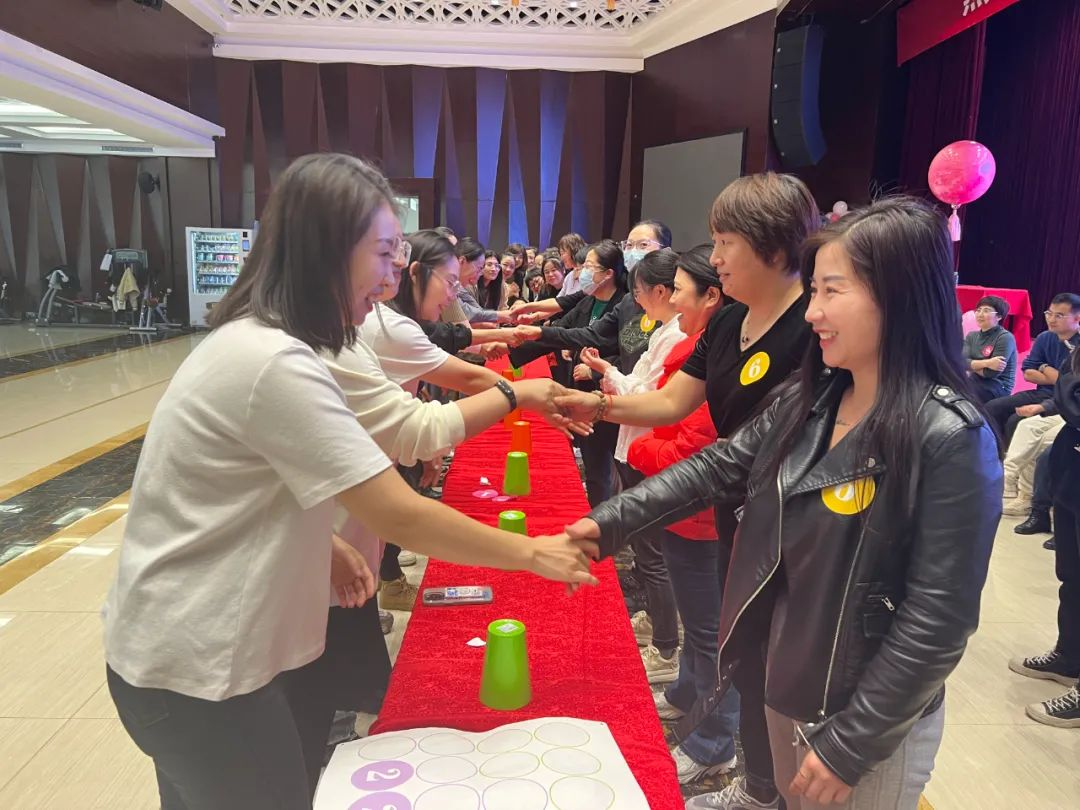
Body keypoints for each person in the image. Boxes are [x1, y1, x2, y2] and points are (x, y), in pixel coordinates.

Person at [102, 153, 596, 810]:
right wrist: (535, 553)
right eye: (384, 254)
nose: (392, 277)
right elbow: (399, 512)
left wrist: (324, 540)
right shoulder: (275, 359)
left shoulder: (267, 339)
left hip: (182, 657)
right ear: (327, 249)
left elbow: (248, 487)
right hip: (200, 669)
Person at [566, 197, 1001, 810]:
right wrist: (604, 524)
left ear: (898, 297)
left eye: (832, 291)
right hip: (787, 677)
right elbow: (718, 468)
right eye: (814, 290)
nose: (814, 311)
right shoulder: (812, 400)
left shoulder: (948, 436)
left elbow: (938, 619)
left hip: (858, 715)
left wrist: (853, 742)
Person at [555, 173, 820, 810]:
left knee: (771, 660)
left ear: (774, 248)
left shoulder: (812, 330)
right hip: (733, 506)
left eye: (727, 242)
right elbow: (672, 401)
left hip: (789, 521)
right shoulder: (728, 325)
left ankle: (763, 782)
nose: (715, 257)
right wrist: (596, 405)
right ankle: (757, 781)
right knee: (739, 648)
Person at [1010, 347, 1080, 727]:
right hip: (1073, 467)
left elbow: (1071, 394)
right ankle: (1069, 657)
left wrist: (1068, 389)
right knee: (1071, 576)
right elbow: (1068, 394)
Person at [985, 293, 1080, 443]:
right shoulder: (1044, 337)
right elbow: (1028, 373)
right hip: (1042, 393)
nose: (1051, 319)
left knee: (1016, 421)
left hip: (1067, 400)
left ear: (1077, 318)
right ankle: (994, 450)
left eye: (1059, 316)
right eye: (1049, 313)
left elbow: (1069, 385)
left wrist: (1042, 367)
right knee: (993, 407)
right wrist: (1049, 370)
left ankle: (1010, 455)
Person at [963, 295, 1017, 403]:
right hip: (975, 380)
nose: (980, 314)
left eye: (986, 310)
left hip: (998, 385)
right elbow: (961, 363)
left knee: (964, 395)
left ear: (999, 316)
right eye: (978, 310)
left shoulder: (1005, 337)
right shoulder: (971, 336)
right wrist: (987, 363)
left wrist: (971, 365)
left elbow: (991, 373)